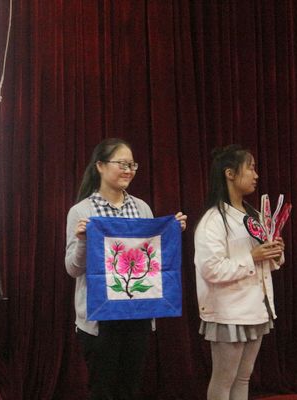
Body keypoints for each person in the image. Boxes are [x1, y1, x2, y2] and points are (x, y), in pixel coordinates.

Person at [65, 138, 187, 400]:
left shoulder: (142, 208)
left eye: (132, 165)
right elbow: (73, 269)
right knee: (102, 391)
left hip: (138, 314)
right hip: (99, 320)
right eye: (122, 164)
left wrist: (170, 232)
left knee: (130, 389)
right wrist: (83, 241)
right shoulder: (81, 211)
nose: (128, 170)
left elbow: (152, 261)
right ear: (100, 166)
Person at [194, 145, 285, 400]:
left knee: (243, 377)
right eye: (251, 168)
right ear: (230, 173)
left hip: (255, 308)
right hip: (229, 312)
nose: (256, 175)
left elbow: (265, 262)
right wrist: (252, 257)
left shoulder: (254, 215)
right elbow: (211, 269)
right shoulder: (213, 220)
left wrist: (275, 253)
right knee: (224, 380)